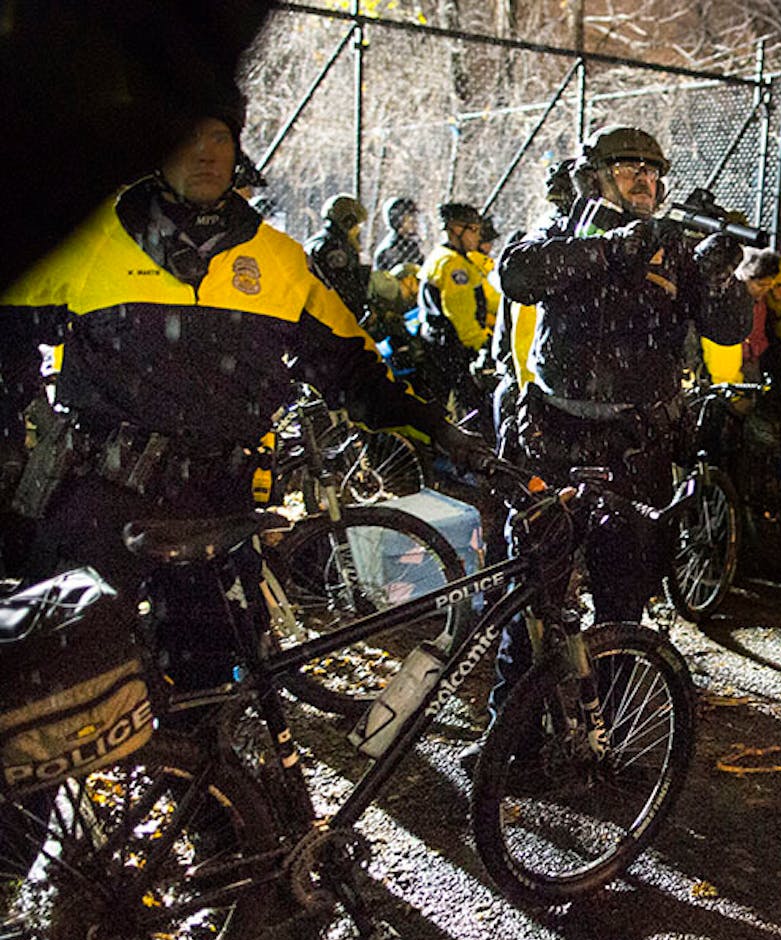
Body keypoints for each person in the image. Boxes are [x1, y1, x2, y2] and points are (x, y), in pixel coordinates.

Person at [0, 94, 491, 629]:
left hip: (219, 507)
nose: (205, 154)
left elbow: (354, 371)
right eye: (187, 138)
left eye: (219, 139)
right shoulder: (90, 241)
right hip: (102, 503)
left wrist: (439, 431)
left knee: (213, 684)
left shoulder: (278, 259)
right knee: (70, 682)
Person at [493, 123, 748, 708]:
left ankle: (610, 734)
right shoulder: (566, 229)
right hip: (556, 439)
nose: (646, 181)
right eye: (632, 170)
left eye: (653, 172)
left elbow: (728, 328)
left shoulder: (676, 249)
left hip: (637, 449)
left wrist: (716, 273)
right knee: (534, 595)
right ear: (598, 177)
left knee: (624, 600)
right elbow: (519, 273)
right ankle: (515, 742)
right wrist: (616, 247)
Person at [415, 202, 501, 415]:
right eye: (473, 230)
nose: (477, 237)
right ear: (455, 230)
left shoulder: (445, 257)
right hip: (454, 349)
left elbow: (488, 298)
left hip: (438, 343)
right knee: (476, 409)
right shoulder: (453, 266)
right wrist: (483, 343)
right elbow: (460, 315)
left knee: (447, 405)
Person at [304, 192, 371, 319]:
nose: (358, 230)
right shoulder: (336, 248)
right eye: (357, 224)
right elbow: (345, 290)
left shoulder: (316, 241)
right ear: (349, 222)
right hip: (332, 317)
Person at [374, 195, 423, 272]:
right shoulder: (389, 250)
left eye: (414, 215)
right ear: (397, 219)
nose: (414, 220)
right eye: (410, 216)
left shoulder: (411, 245)